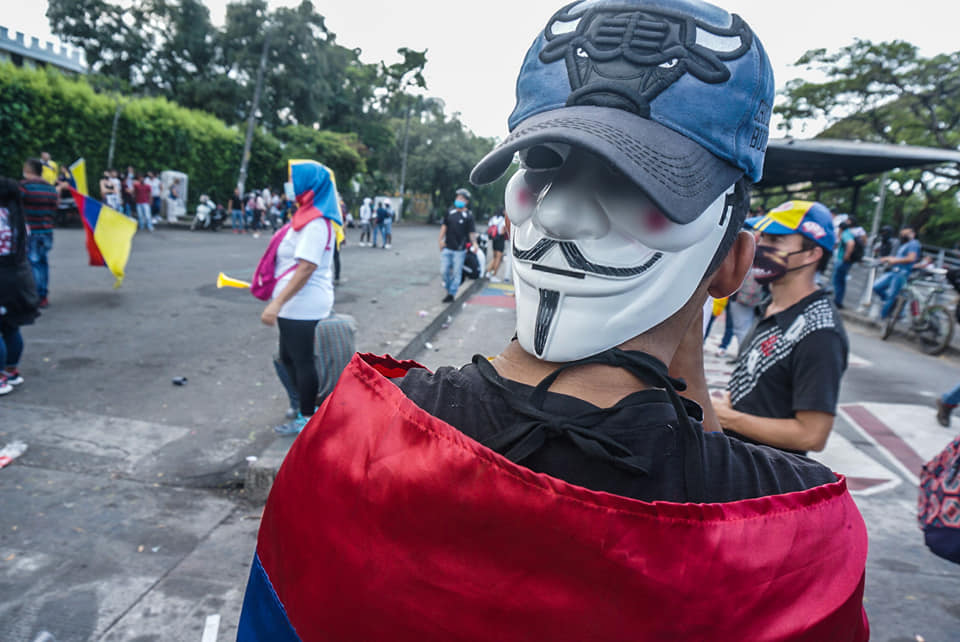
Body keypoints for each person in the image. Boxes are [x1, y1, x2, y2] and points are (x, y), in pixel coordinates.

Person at [240, 2, 868, 638]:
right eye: (543, 166)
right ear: (737, 265)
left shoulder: (351, 439)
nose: (560, 216)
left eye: (636, 185)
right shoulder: (797, 549)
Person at [715, 201, 848, 456]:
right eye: (762, 237)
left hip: (770, 473)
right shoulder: (771, 306)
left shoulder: (820, 332)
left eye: (775, 240)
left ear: (811, 254)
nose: (761, 247)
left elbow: (812, 435)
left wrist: (729, 418)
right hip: (739, 461)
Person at [260, 160, 339, 435]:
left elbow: (306, 268)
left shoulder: (315, 223)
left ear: (309, 185)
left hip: (303, 305)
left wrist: (277, 303)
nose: (290, 186)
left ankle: (308, 416)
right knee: (288, 358)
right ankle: (305, 407)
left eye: (294, 180)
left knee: (301, 360)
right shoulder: (306, 217)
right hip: (295, 305)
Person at [0, 177, 40, 396]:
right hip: (19, 278)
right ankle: (11, 370)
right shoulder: (19, 220)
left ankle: (0, 378)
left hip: (2, 276)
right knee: (11, 327)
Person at [20, 158, 57, 309]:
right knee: (43, 262)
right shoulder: (50, 188)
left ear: (28, 170)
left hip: (31, 231)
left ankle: (35, 297)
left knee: (33, 263)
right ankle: (43, 295)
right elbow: (54, 209)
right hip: (47, 231)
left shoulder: (24, 187)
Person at [873, 226, 921, 319]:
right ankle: (893, 306)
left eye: (905, 233)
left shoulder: (914, 244)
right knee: (877, 287)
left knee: (892, 295)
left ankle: (883, 317)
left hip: (902, 272)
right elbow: (899, 257)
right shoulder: (905, 244)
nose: (903, 235)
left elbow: (911, 258)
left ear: (912, 234)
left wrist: (895, 260)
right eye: (902, 234)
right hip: (894, 271)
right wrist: (887, 258)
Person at [438, 187, 476, 302]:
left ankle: (451, 293)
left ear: (466, 201)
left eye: (461, 198)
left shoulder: (468, 216)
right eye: (458, 197)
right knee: (444, 271)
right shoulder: (450, 212)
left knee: (456, 273)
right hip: (447, 248)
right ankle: (449, 290)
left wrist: (475, 243)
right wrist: (440, 240)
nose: (458, 200)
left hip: (460, 250)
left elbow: (471, 232)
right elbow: (444, 227)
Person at [833, 216, 857, 308]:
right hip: (844, 261)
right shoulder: (849, 233)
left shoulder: (846, 233)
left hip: (842, 261)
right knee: (841, 281)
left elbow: (851, 243)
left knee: (838, 281)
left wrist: (846, 256)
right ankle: (838, 300)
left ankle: (837, 301)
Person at [486, 207, 508, 279]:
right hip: (500, 240)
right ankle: (494, 275)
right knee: (499, 258)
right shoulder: (503, 220)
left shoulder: (493, 218)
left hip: (494, 240)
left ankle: (488, 272)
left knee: (494, 257)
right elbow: (502, 232)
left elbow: (489, 228)